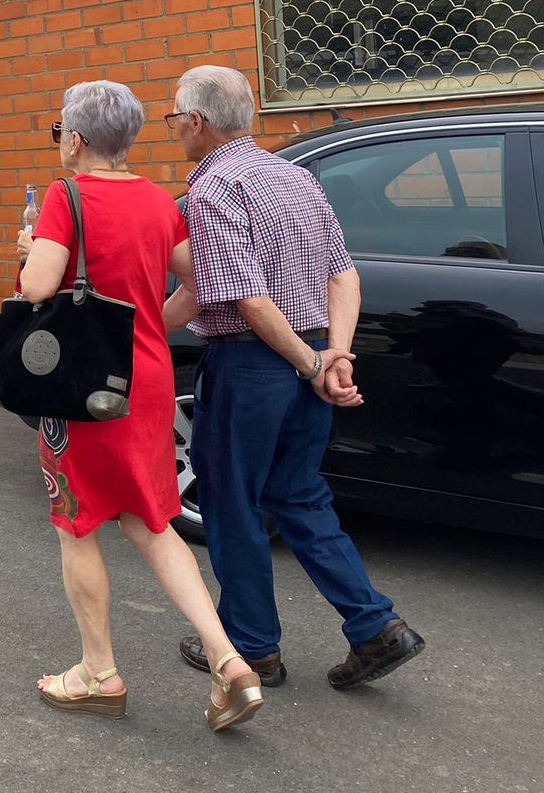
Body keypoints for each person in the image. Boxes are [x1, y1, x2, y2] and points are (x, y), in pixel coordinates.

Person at [163, 65, 424, 691]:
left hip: (252, 364)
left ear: (197, 122)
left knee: (230, 501)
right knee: (298, 494)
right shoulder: (297, 178)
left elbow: (245, 298)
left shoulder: (212, 188)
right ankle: (374, 625)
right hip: (308, 352)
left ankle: (253, 647)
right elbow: (344, 275)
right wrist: (334, 356)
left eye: (175, 119)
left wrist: (313, 367)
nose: (175, 130)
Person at [16, 80, 263, 732]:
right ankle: (227, 657)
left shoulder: (66, 199)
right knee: (153, 521)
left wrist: (28, 255)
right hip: (147, 381)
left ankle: (98, 671)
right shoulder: (159, 201)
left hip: (83, 391)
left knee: (76, 520)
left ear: (74, 138)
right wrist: (145, 316)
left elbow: (38, 285)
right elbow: (200, 279)